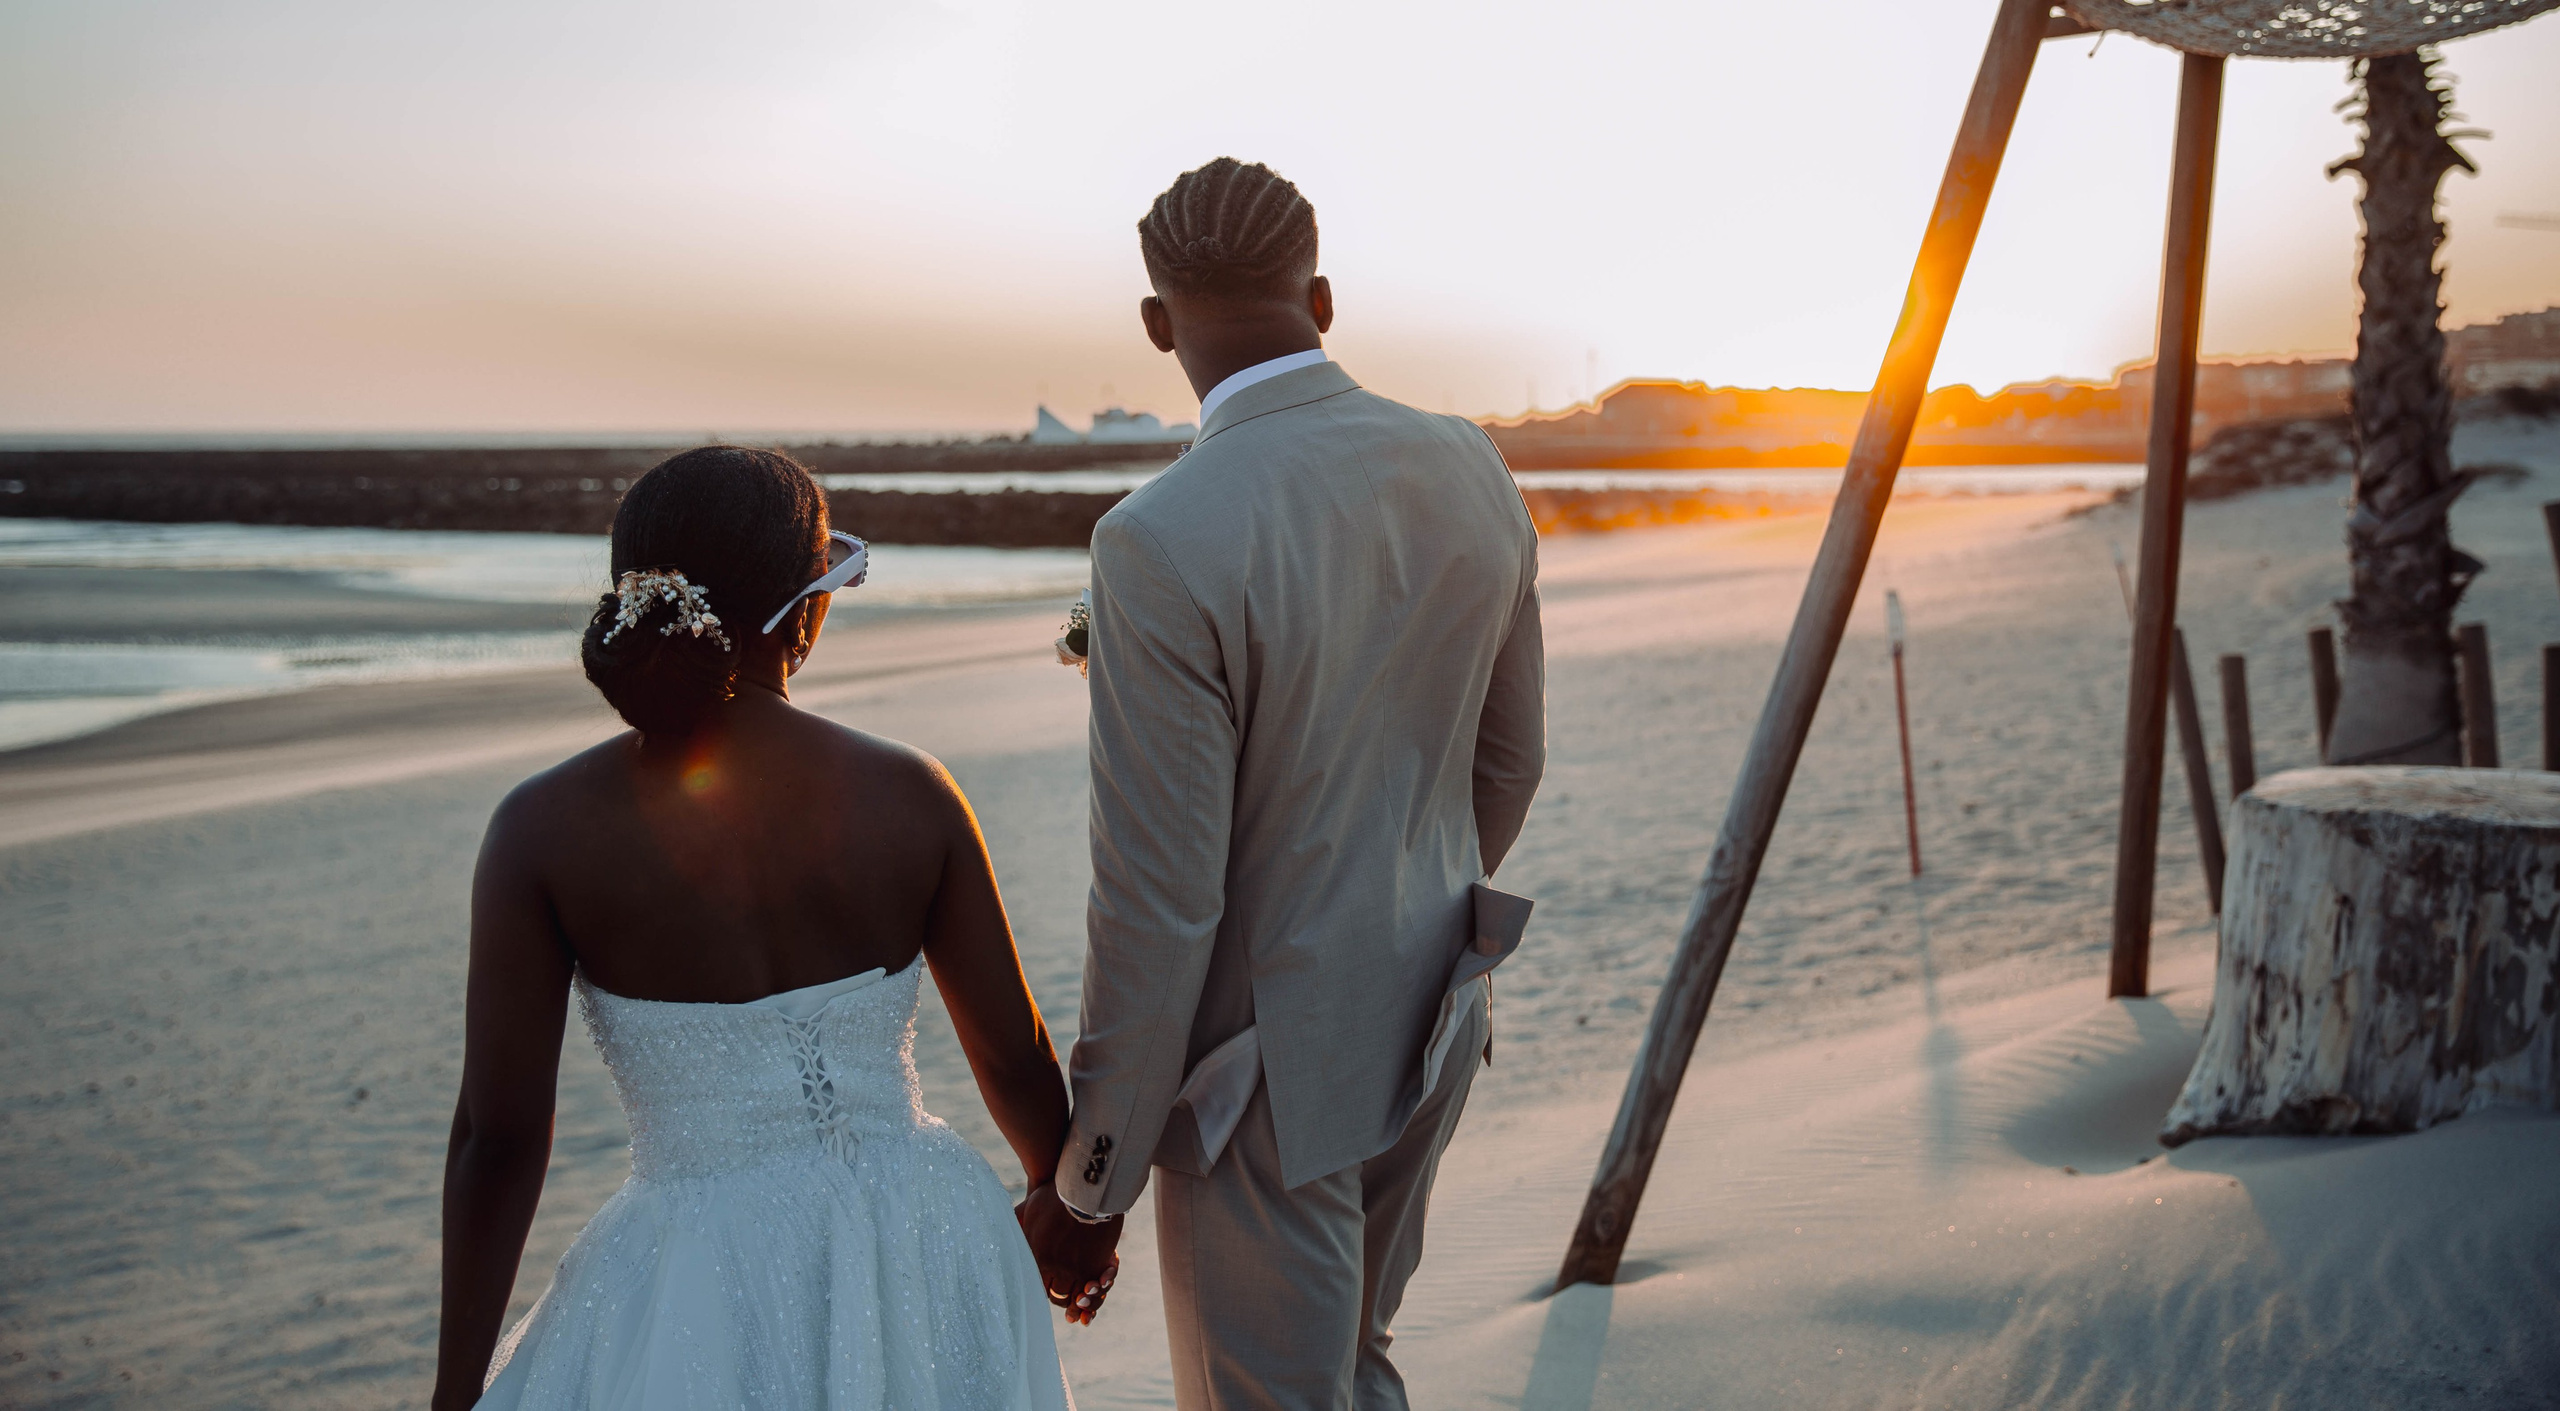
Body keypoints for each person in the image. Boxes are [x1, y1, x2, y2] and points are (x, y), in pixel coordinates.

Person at [1016, 158, 1546, 1409]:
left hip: (1260, 1077)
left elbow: (1161, 902)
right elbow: (1510, 759)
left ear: (1156, 324)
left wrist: (1094, 1178)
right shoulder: (1470, 462)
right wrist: (1391, 906)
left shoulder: (1158, 535)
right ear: (1321, 296)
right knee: (1356, 1361)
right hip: (1434, 1009)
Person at [431, 446, 1116, 1411]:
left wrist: (456, 1391)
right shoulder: (911, 795)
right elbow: (1013, 1057)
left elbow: (498, 1138)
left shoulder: (539, 830)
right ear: (804, 608)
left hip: (698, 1273)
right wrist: (1071, 1204)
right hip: (924, 1241)